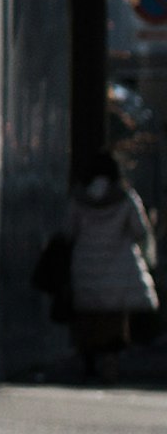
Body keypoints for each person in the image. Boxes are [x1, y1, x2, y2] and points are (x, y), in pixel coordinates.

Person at [66, 159, 156, 377]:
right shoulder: (125, 197)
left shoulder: (79, 198)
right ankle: (110, 360)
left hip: (86, 263)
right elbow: (139, 230)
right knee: (114, 319)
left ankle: (88, 358)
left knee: (88, 317)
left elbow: (68, 231)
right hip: (118, 265)